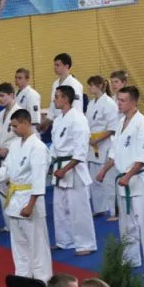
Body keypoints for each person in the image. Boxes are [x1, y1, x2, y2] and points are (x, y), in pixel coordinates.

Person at [96, 86, 144, 278]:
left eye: (122, 100)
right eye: (118, 100)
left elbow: (143, 157)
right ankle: (130, 259)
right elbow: (114, 153)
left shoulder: (142, 124)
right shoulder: (121, 123)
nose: (118, 103)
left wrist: (128, 176)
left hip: (137, 180)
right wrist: (104, 170)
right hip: (123, 180)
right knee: (126, 225)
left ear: (133, 102)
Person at [0, 109, 52, 282]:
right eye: (12, 126)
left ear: (26, 123)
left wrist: (30, 205)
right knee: (19, 247)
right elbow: (7, 170)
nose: (13, 130)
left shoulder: (38, 147)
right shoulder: (16, 145)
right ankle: (23, 279)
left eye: (15, 126)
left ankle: (43, 281)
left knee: (37, 246)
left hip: (30, 201)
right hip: (15, 200)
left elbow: (39, 179)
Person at [49, 85, 97, 256]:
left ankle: (86, 244)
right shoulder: (58, 120)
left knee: (79, 208)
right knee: (59, 207)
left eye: (57, 96)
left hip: (74, 168)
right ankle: (65, 240)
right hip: (59, 166)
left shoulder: (78, 119)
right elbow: (54, 147)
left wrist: (66, 169)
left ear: (66, 99)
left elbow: (81, 150)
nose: (54, 99)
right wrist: (49, 164)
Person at [0, 82, 22, 233]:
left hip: (14, 156)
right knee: (3, 191)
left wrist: (8, 150)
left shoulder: (20, 113)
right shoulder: (1, 114)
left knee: (14, 191)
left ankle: (18, 223)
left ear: (12, 95)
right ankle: (8, 224)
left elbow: (22, 136)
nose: (0, 99)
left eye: (2, 96)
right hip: (1, 157)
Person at [86, 76, 119, 220]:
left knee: (109, 180)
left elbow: (113, 128)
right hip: (93, 144)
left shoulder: (109, 103)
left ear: (99, 86)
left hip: (105, 144)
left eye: (91, 85)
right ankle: (100, 207)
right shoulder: (91, 103)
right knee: (94, 179)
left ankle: (114, 211)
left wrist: (97, 139)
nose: (89, 88)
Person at [42, 53, 83, 131]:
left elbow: (77, 107)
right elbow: (52, 105)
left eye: (58, 65)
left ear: (66, 66)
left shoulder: (74, 84)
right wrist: (47, 121)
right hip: (57, 123)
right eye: (54, 65)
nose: (55, 68)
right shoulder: (55, 84)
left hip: (70, 124)